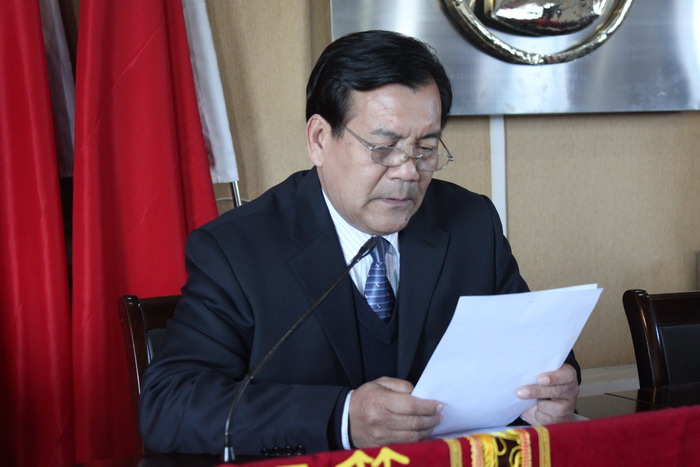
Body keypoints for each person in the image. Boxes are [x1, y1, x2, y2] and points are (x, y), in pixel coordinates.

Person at [139, 30, 580, 457]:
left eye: (426, 148)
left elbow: (533, 348)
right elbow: (169, 405)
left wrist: (552, 392)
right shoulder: (237, 248)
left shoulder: (469, 223)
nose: (408, 171)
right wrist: (342, 417)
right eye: (383, 148)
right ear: (319, 139)